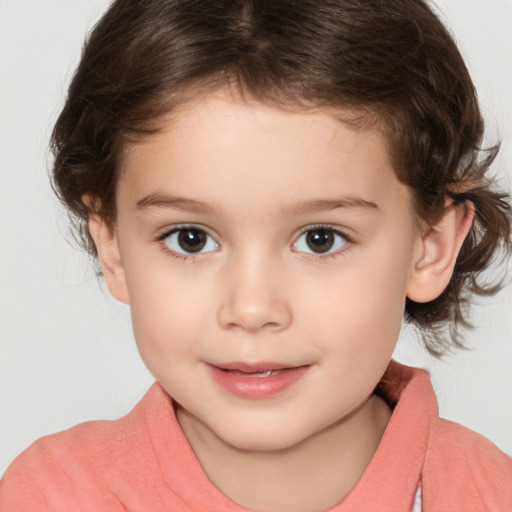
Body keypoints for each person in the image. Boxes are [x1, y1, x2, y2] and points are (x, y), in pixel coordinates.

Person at [1, 0, 511, 510]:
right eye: (190, 239)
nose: (251, 309)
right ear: (112, 246)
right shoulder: (51, 496)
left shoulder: (491, 494)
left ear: (430, 247)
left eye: (320, 239)